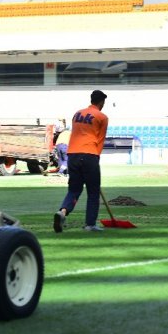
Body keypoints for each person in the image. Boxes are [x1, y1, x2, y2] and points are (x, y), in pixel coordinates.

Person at [53, 90, 109, 232]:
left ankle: (63, 212)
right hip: (90, 154)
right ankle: (90, 224)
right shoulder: (102, 117)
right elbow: (100, 141)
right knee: (93, 191)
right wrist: (96, 160)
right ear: (101, 102)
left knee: (74, 189)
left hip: (72, 154)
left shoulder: (77, 114)